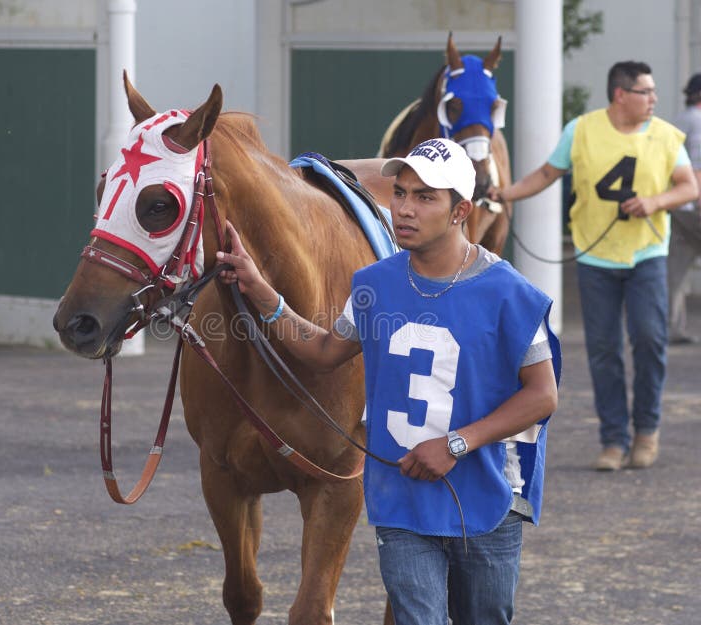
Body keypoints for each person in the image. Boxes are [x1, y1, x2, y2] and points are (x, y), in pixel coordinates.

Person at [216, 138, 560, 625]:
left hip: (486, 502)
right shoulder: (373, 283)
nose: (404, 208)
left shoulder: (511, 294)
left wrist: (456, 444)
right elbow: (322, 351)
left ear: (460, 210)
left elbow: (542, 395)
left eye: (425, 198)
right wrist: (263, 293)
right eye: (400, 193)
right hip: (401, 500)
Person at [490, 61, 698, 471]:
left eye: (653, 91)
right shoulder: (581, 130)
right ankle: (613, 440)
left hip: (647, 255)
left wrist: (654, 203)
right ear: (621, 94)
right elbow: (549, 172)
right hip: (595, 257)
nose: (654, 99)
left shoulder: (667, 136)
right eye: (646, 91)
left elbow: (689, 186)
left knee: (650, 341)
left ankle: (647, 430)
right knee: (603, 350)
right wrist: (506, 194)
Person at [669, 73, 701, 345]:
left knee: (676, 269)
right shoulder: (699, 121)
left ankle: (672, 327)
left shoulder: (679, 119)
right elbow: (698, 167)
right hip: (696, 205)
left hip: (677, 205)